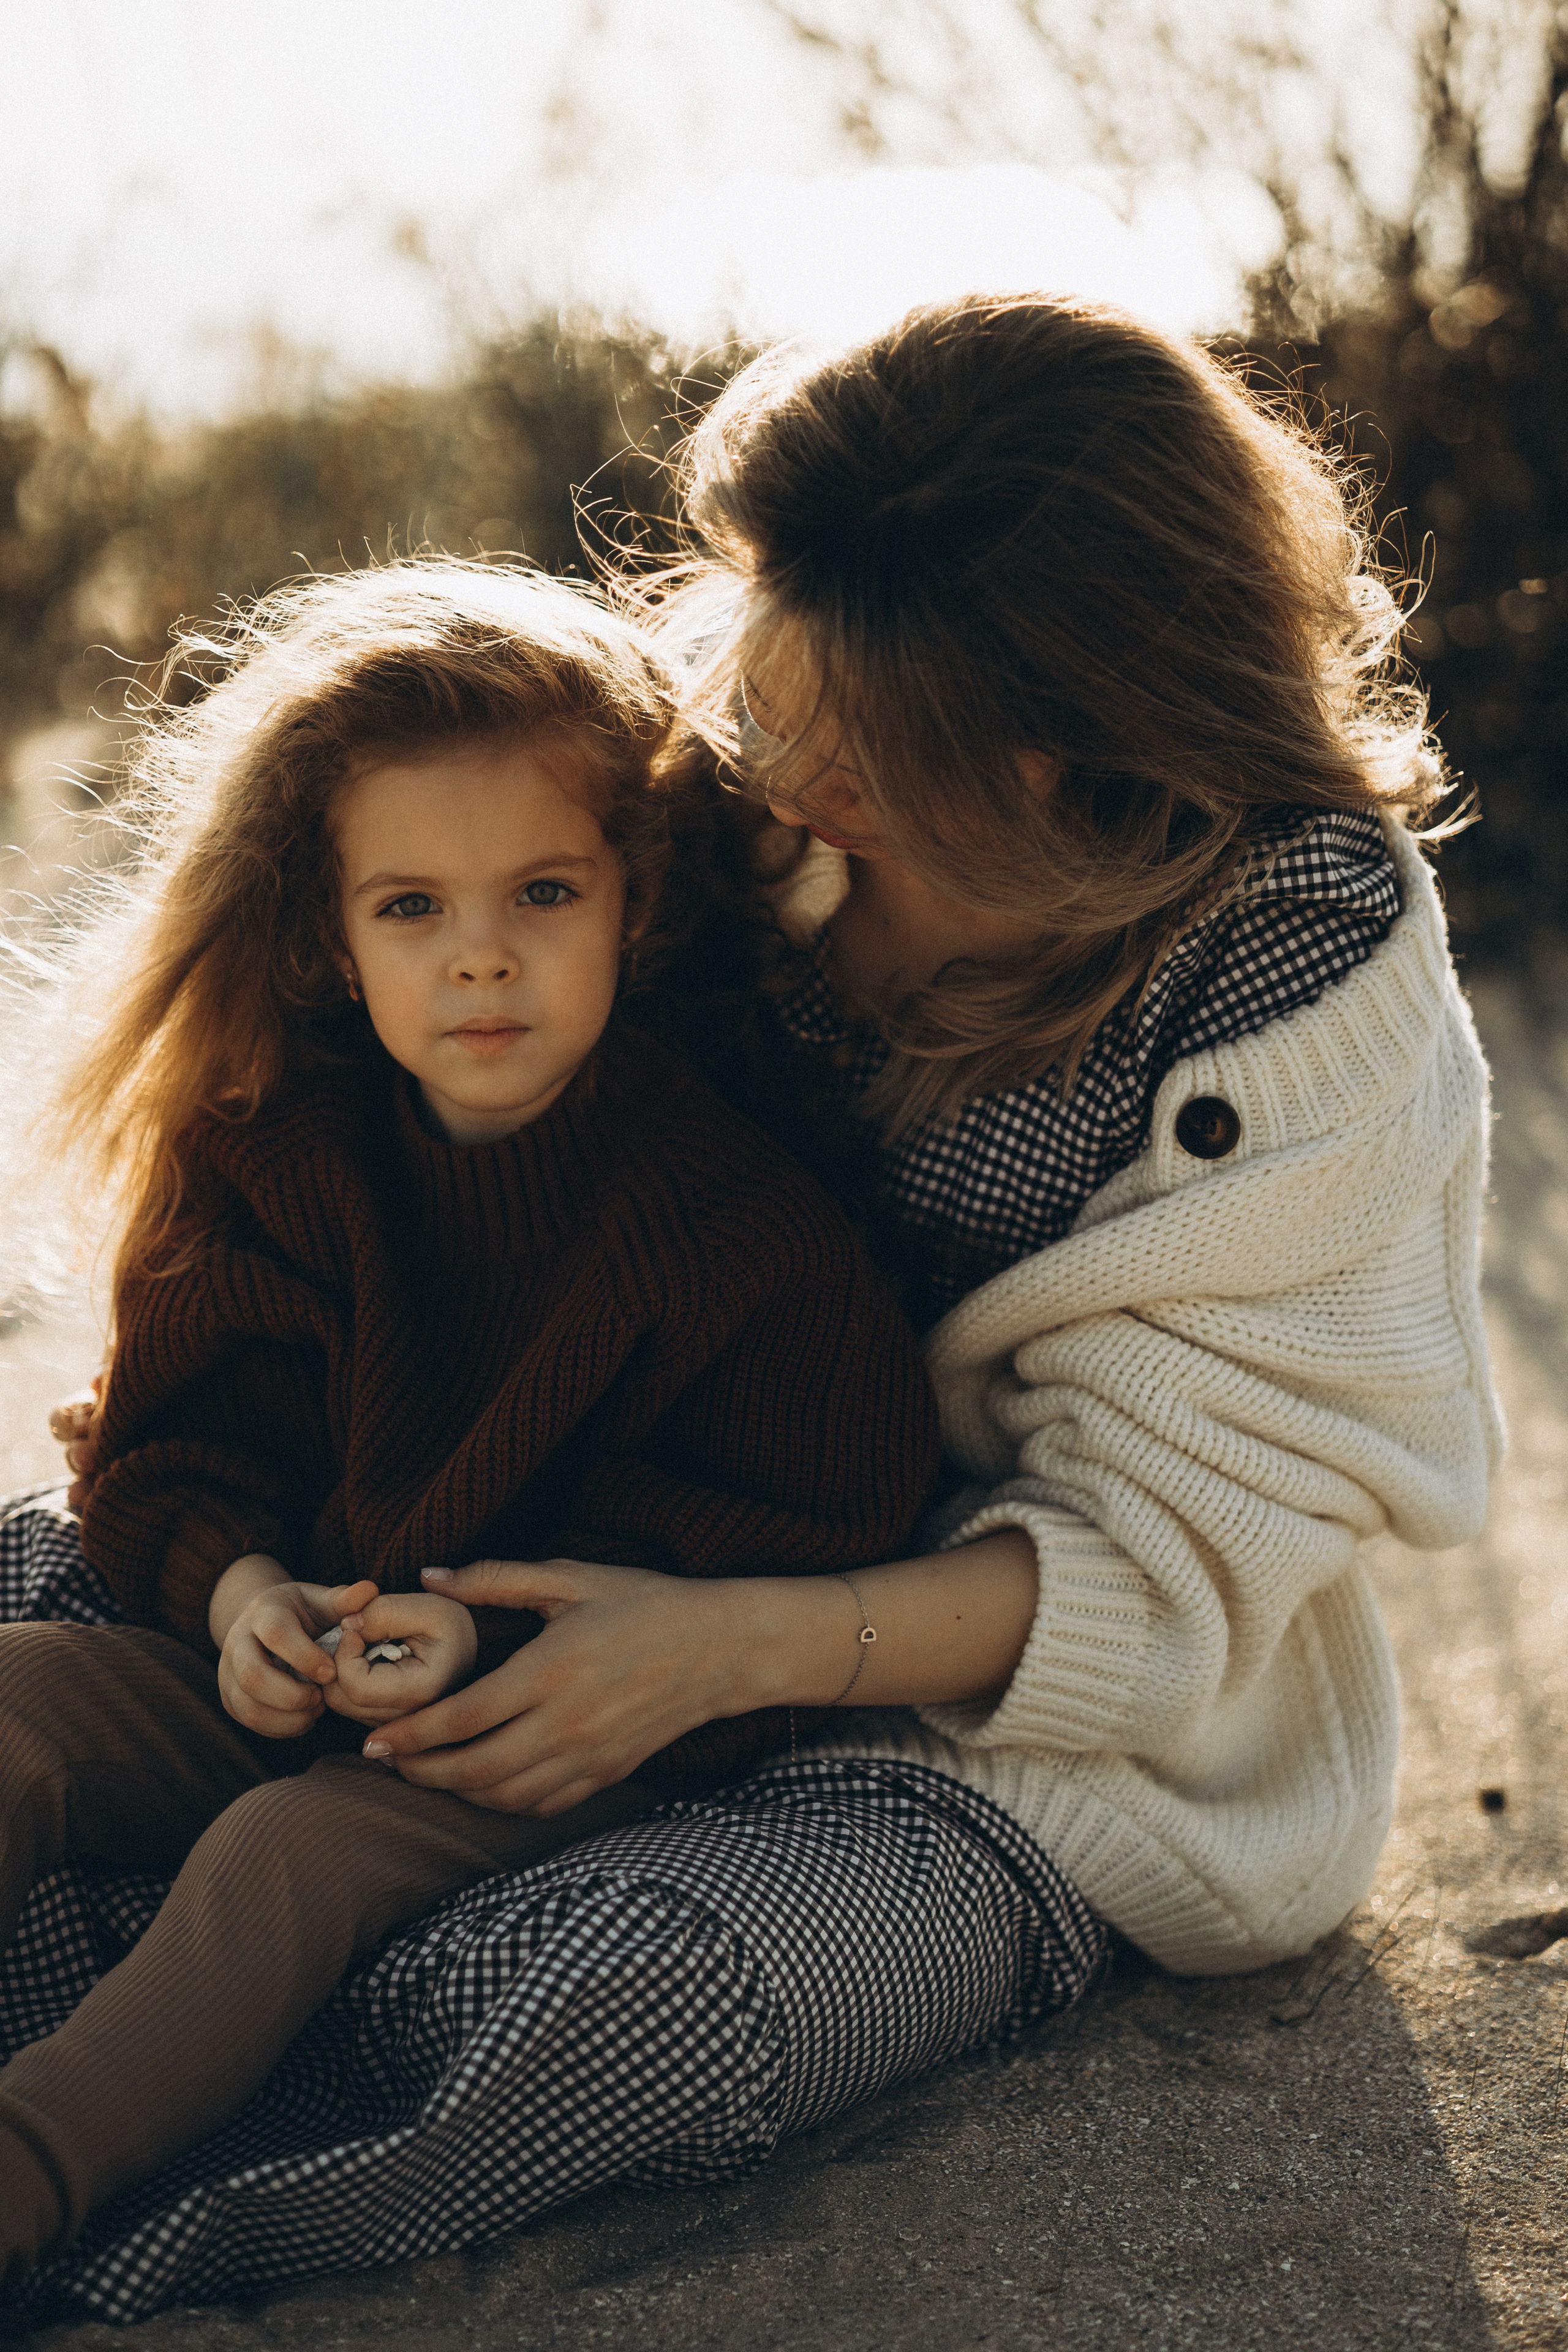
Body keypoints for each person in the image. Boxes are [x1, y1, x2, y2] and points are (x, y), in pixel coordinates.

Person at [6, 292, 1498, 2324]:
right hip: (477, 1541)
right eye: (759, 665)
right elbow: (373, 1106)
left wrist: (711, 1653)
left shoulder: (1294, 986)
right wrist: (281, 1574)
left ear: (1049, 754)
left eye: (850, 755)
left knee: (628, 2007)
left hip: (982, 1714)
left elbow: (1189, 1567)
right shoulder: (710, 797)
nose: (766, 764)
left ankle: (144, 2158)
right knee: (43, 1629)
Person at [0, 563, 947, 2287]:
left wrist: (489, 1628)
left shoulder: (729, 1209)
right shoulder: (273, 1141)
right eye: (412, 909)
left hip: (552, 1736)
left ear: (635, 907)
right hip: (297, 1666)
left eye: (542, 891)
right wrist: (242, 1600)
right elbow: (173, 1445)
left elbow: (827, 1497)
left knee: (291, 1851)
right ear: (327, 935)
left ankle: (36, 2171)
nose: (483, 955)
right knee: (18, 1694)